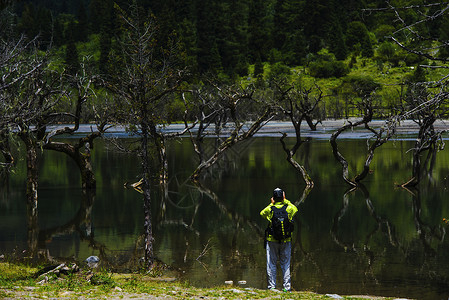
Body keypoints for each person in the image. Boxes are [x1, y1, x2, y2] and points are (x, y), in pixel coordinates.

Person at [260, 188, 298, 292]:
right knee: (285, 264)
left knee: (271, 263)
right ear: (282, 197)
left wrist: (272, 204)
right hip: (286, 240)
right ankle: (287, 288)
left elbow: (262, 213)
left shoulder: (270, 209)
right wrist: (285, 200)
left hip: (272, 240)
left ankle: (272, 287)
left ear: (273, 198)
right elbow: (295, 209)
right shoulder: (289, 208)